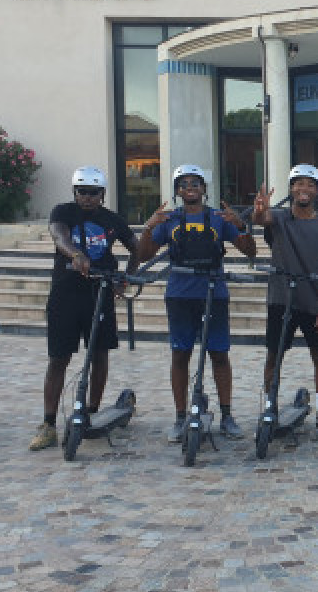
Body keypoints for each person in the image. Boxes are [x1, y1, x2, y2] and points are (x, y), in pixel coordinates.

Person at [138, 164, 256, 442]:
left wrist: (241, 225)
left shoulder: (218, 217)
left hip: (214, 294)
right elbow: (144, 255)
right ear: (177, 190)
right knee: (180, 354)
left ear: (204, 188)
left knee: (219, 353)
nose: (189, 188)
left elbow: (250, 252)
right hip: (180, 294)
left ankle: (227, 415)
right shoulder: (168, 220)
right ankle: (180, 416)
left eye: (195, 183)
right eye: (183, 184)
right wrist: (148, 228)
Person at [30, 167, 139, 451]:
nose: (87, 198)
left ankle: (90, 412)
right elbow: (59, 236)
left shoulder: (111, 220)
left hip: (99, 293)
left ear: (102, 194)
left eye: (93, 193)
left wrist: (125, 279)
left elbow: (136, 248)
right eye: (82, 192)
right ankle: (49, 422)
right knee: (59, 358)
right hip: (65, 295)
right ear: (74, 192)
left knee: (99, 353)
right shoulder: (63, 211)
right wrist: (76, 253)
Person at [251, 164, 318, 440]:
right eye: (298, 184)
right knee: (273, 356)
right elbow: (260, 220)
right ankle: (270, 406)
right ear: (291, 189)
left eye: (310, 184)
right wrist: (259, 208)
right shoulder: (278, 218)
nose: (304, 189)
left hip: (314, 300)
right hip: (282, 299)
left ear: (317, 191)